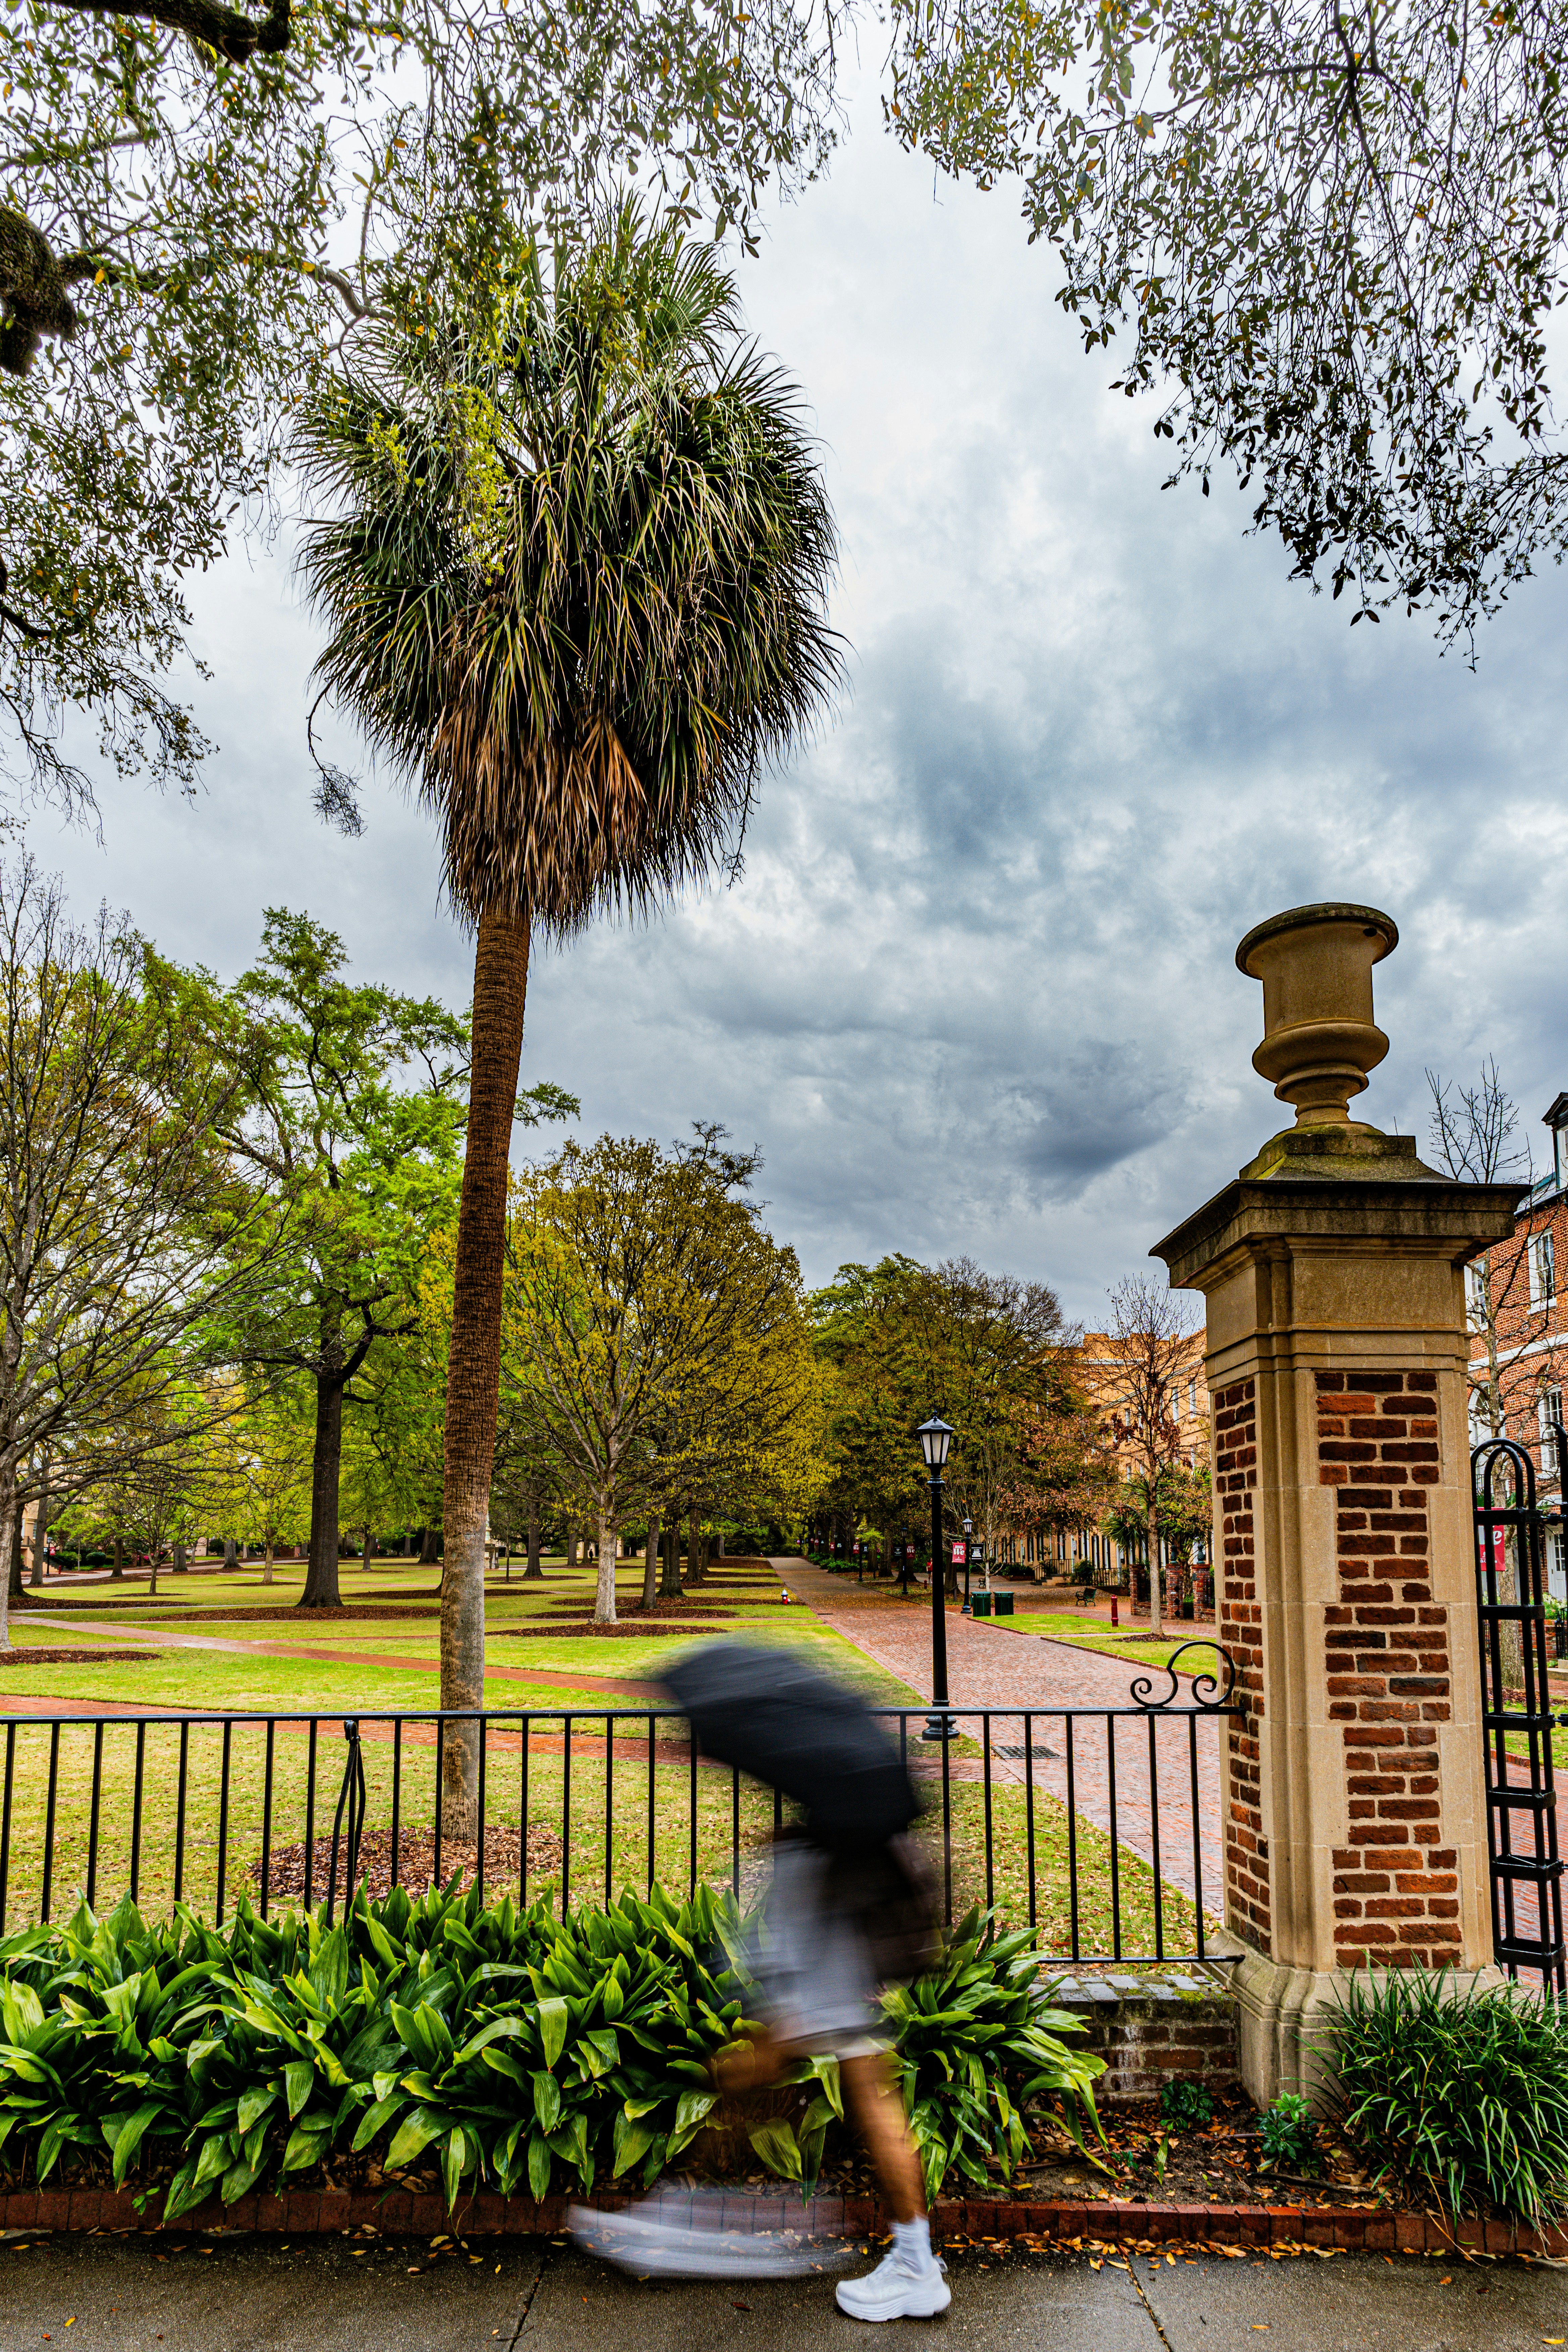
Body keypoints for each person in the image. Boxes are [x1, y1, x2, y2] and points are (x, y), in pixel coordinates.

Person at [571, 1643, 949, 2322]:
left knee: (783, 2064)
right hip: (839, 1897)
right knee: (839, 2071)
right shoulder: (847, 1789)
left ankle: (896, 2258)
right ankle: (718, 2207)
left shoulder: (838, 1820)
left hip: (829, 1911)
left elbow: (780, 2043)